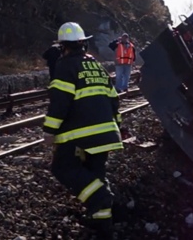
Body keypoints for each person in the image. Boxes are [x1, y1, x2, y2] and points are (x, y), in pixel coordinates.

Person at [43, 22, 123, 238]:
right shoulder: (97, 66)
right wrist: (118, 126)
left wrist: (49, 130)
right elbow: (114, 99)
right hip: (107, 132)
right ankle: (102, 223)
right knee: (95, 173)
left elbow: (60, 102)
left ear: (63, 46)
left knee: (63, 168)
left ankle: (101, 199)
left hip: (81, 134)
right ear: (83, 43)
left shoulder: (65, 66)